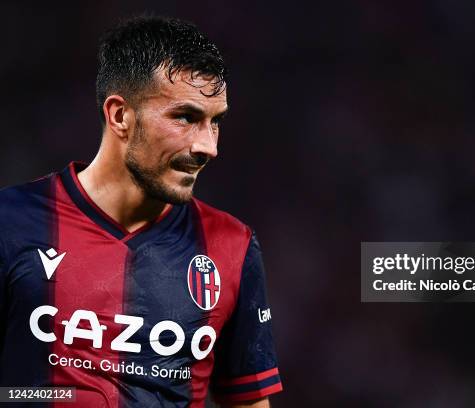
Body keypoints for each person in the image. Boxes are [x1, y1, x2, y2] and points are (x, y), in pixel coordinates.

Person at [0, 15, 282, 407]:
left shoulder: (232, 246)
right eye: (185, 117)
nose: (208, 146)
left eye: (215, 122)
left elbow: (249, 401)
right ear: (120, 116)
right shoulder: (10, 223)